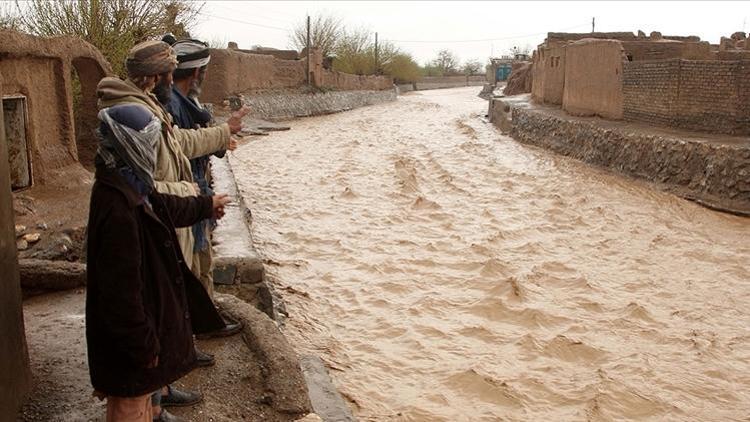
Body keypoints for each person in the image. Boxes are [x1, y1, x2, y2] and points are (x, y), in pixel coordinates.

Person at [95, 40, 245, 420]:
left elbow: (159, 195)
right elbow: (121, 289)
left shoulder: (128, 187)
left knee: (145, 374)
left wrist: (202, 203)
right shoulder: (119, 205)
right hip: (130, 336)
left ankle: (156, 398)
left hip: (136, 319)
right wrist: (141, 345)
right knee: (133, 388)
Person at [164, 38, 227, 299]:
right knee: (192, 266)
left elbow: (203, 144)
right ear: (197, 73)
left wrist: (222, 138)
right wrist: (224, 132)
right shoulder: (173, 106)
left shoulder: (189, 103)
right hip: (185, 197)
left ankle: (207, 318)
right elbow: (183, 146)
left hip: (196, 196)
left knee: (203, 264)